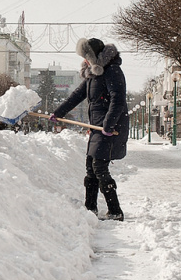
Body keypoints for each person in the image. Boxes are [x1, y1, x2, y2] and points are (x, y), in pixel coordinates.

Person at [51, 38, 129, 221]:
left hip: (110, 127)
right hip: (97, 127)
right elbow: (77, 95)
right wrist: (59, 112)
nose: (84, 61)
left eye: (86, 57)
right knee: (90, 167)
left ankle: (115, 211)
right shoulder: (93, 74)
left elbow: (118, 100)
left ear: (94, 56)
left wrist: (108, 126)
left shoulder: (112, 71)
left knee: (99, 167)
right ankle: (90, 209)